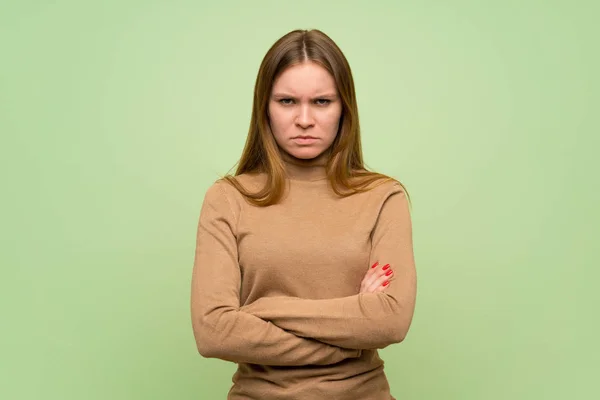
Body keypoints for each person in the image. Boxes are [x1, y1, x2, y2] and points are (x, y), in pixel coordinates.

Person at [190, 28, 417, 400]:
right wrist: (352, 331)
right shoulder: (228, 198)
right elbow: (213, 330)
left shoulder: (382, 196)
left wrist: (264, 309)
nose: (305, 119)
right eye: (287, 101)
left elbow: (390, 320)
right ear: (265, 105)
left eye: (322, 102)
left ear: (345, 107)